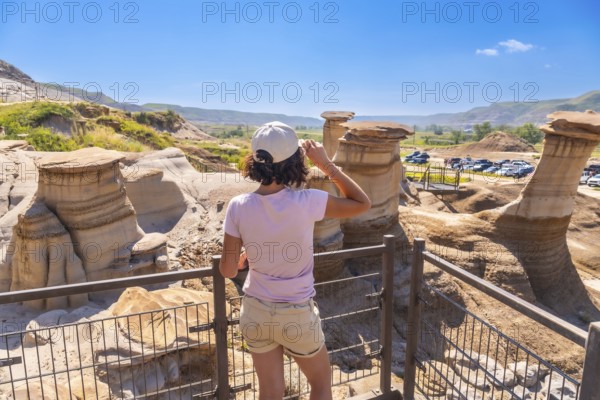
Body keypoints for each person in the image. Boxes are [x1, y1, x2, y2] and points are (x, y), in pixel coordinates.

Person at [220, 121, 371, 400]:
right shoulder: (308, 201)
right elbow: (362, 203)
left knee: (270, 392)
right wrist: (326, 164)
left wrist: (250, 254)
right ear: (294, 162)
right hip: (295, 314)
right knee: (321, 383)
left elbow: (228, 269)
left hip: (255, 312)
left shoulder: (238, 205)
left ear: (256, 160)